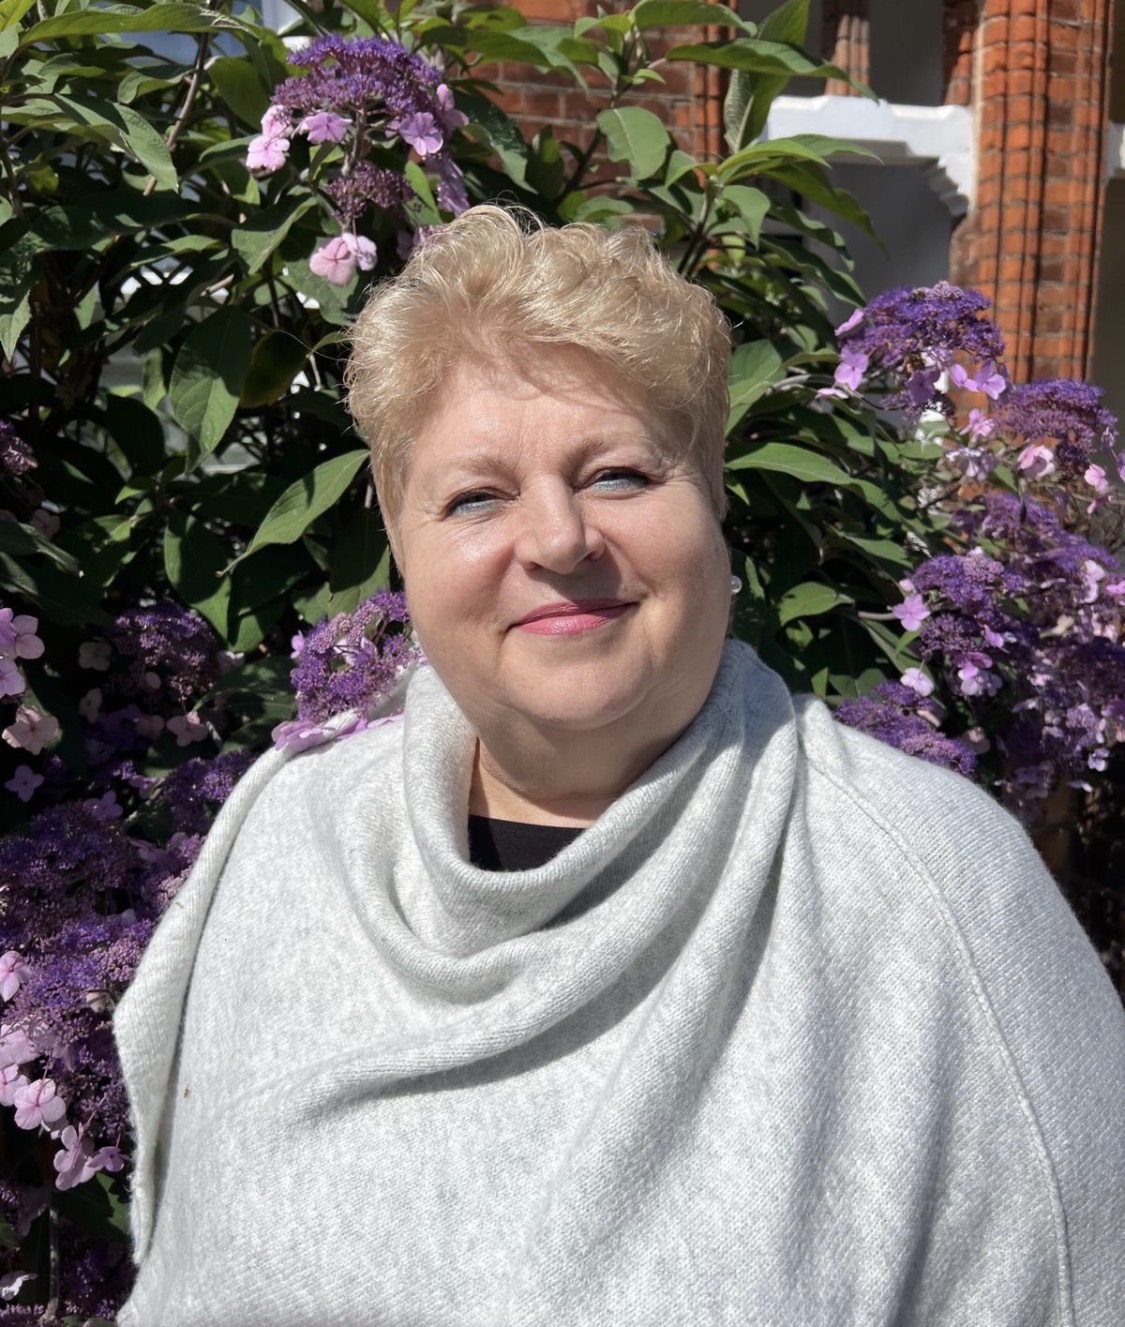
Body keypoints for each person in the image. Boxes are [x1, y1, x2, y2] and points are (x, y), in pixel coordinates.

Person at [115, 206, 1125, 1326]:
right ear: (401, 547)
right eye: (477, 496)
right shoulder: (287, 848)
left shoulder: (941, 894)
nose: (557, 539)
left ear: (714, 507)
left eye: (618, 475)